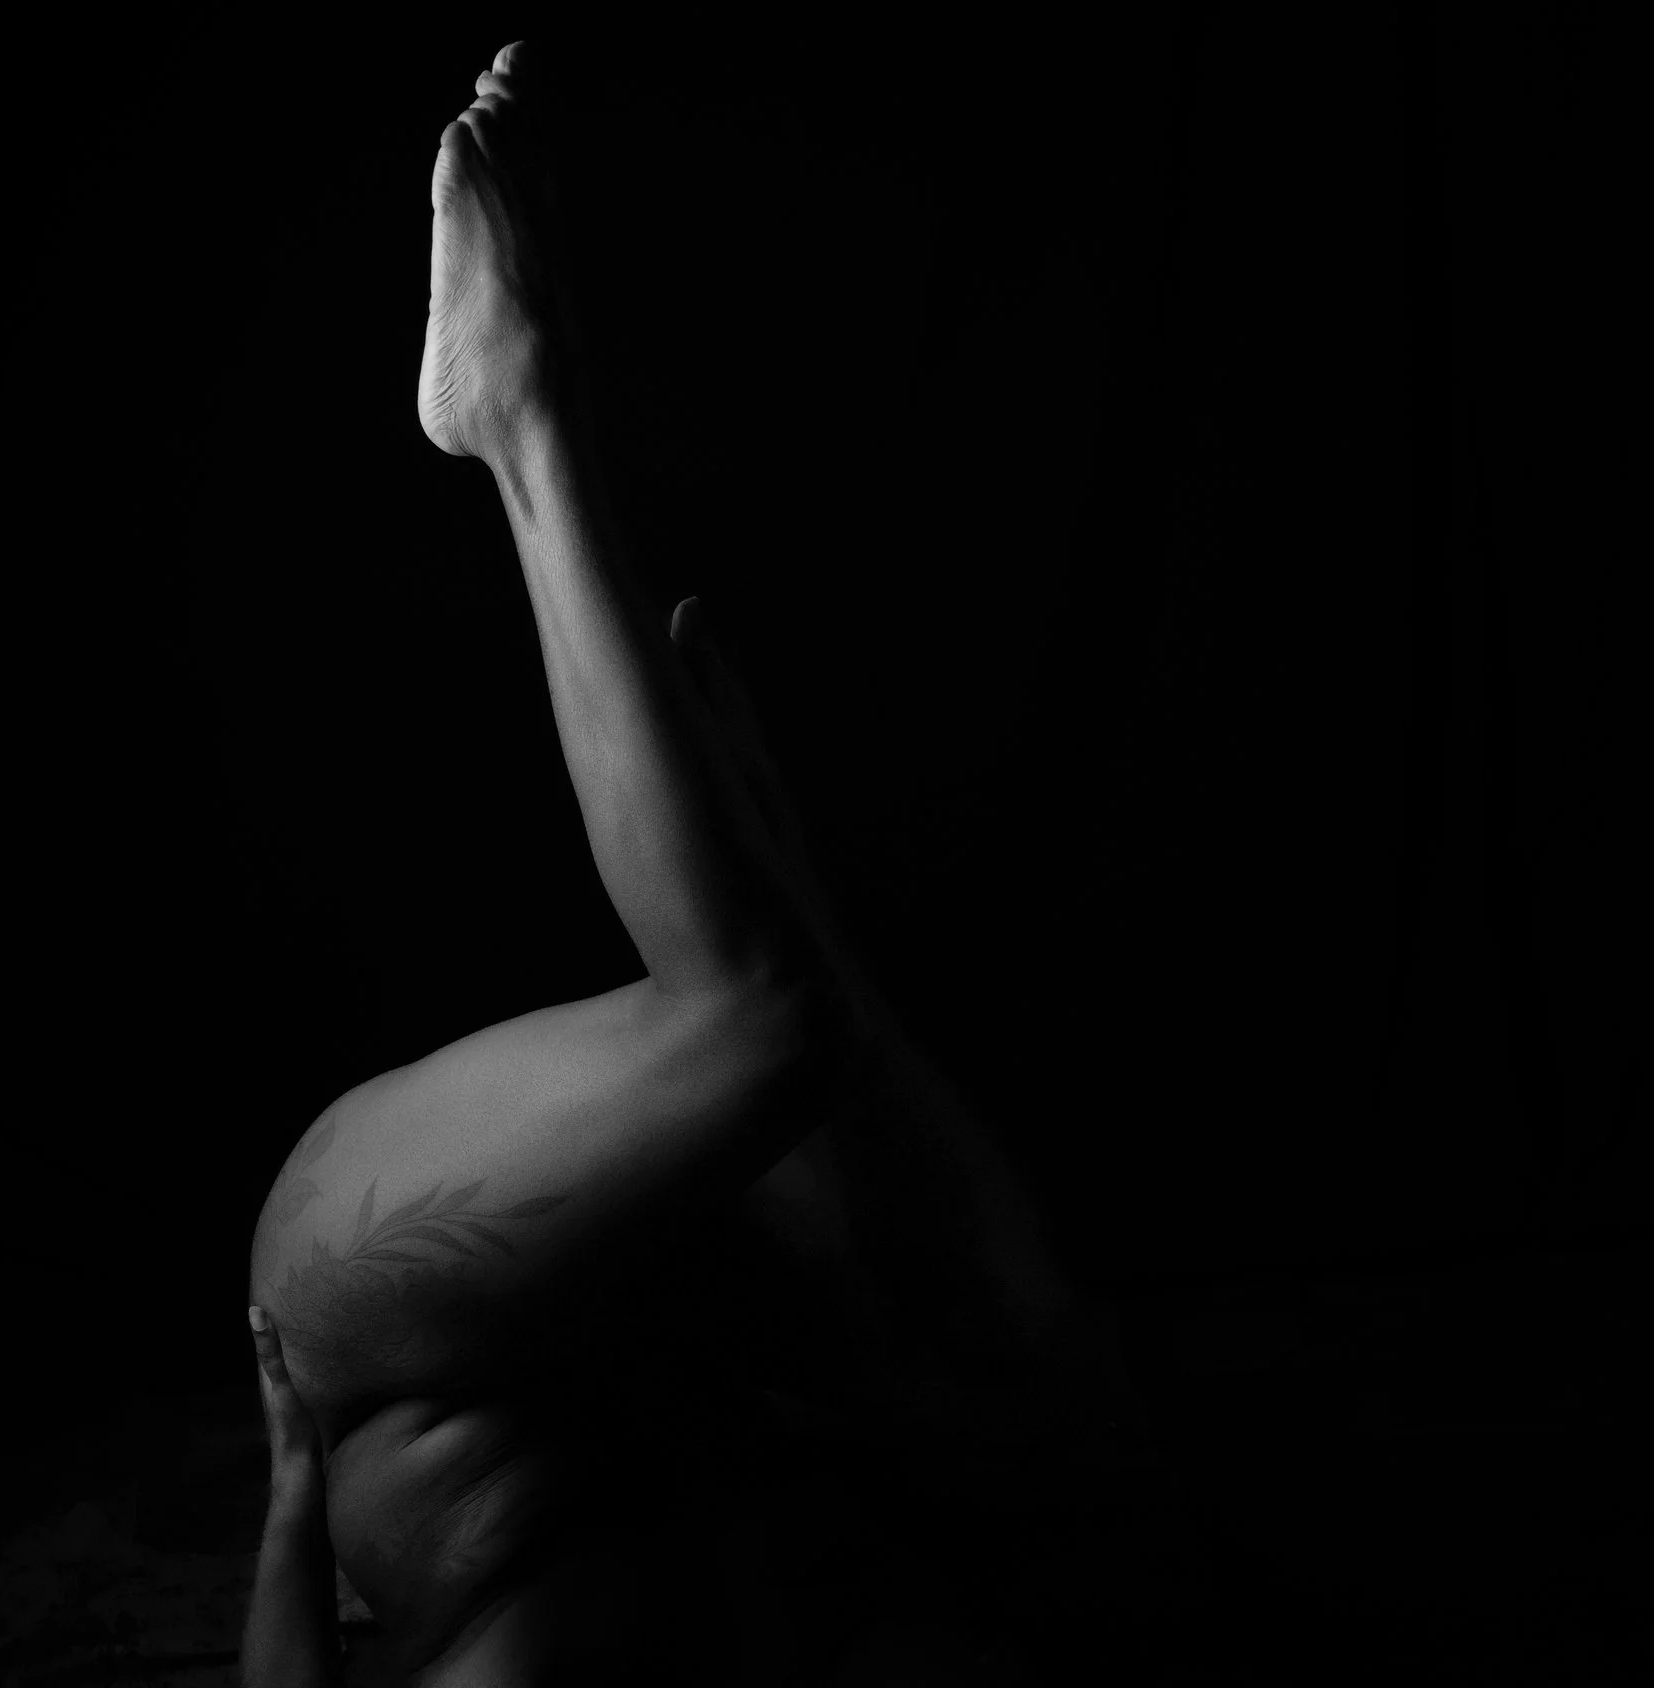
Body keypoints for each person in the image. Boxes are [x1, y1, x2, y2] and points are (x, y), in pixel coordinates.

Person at [239, 43, 1188, 1687]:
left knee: (767, 1033)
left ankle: (520, 425)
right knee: (1040, 1372)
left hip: (388, 1347)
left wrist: (285, 1510)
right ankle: (783, 910)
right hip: (694, 1310)